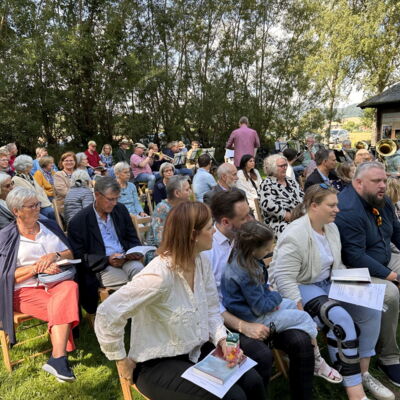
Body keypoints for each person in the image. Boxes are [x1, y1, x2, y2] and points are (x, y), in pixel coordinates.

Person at [94, 201, 266, 400]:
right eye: (209, 227)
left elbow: (211, 310)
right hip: (157, 363)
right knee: (232, 397)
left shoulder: (201, 261)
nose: (214, 231)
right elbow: (108, 312)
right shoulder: (159, 275)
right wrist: (121, 359)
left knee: (253, 381)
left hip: (196, 350)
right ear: (193, 235)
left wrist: (222, 340)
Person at [270, 184, 389, 400]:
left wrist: (353, 286)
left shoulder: (331, 227)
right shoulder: (295, 234)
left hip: (329, 281)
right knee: (339, 318)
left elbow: (336, 264)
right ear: (314, 206)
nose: (337, 210)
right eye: (332, 205)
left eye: (337, 205)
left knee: (371, 309)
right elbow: (284, 278)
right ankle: (355, 391)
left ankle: (363, 373)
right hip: (302, 285)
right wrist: (300, 312)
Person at [205, 189, 315, 400]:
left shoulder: (247, 238)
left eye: (250, 214)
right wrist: (243, 326)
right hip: (228, 322)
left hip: (259, 306)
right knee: (261, 355)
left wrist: (270, 295)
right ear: (226, 222)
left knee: (301, 341)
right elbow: (211, 304)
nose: (251, 220)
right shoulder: (209, 252)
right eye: (244, 217)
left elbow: (260, 276)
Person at [222, 220, 342, 383]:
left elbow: (262, 292)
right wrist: (276, 296)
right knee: (304, 317)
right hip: (251, 318)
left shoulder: (245, 257)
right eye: (266, 249)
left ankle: (293, 353)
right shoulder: (245, 272)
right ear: (253, 249)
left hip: (255, 306)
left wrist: (271, 297)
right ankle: (317, 362)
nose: (270, 250)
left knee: (292, 305)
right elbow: (260, 307)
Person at [0, 187, 79, 382]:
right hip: (23, 290)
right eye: (32, 206)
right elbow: (5, 276)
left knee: (70, 287)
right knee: (63, 306)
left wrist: (55, 255)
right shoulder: (6, 237)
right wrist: (36, 268)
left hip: (56, 282)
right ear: (17, 211)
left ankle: (57, 359)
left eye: (37, 204)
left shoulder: (49, 226)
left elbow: (70, 253)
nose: (38, 208)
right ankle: (59, 358)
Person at [335, 161, 400, 389]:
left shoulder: (381, 199)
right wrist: (392, 276)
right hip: (352, 271)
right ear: (359, 183)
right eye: (376, 181)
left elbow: (396, 232)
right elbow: (354, 256)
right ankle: (389, 357)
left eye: (384, 180)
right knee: (389, 293)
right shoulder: (349, 209)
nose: (383, 185)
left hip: (382, 257)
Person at [67, 177, 143, 314]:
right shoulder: (79, 222)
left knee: (140, 273)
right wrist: (107, 260)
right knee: (127, 283)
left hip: (125, 258)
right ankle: (133, 316)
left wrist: (134, 252)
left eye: (117, 199)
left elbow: (132, 237)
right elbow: (79, 257)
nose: (114, 203)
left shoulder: (120, 210)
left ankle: (141, 315)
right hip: (101, 266)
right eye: (110, 199)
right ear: (97, 195)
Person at [258, 154, 303, 238]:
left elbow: (302, 196)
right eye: (282, 166)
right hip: (279, 222)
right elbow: (267, 205)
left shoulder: (290, 181)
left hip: (298, 217)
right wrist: (287, 215)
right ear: (272, 168)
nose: (285, 168)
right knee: (298, 231)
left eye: (286, 165)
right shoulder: (266, 184)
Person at [150, 175, 192, 247]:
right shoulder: (163, 208)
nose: (190, 192)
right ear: (177, 193)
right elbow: (160, 240)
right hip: (159, 250)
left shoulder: (184, 206)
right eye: (187, 190)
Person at [12, 155, 55, 220]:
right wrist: (47, 204)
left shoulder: (29, 176)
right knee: (51, 213)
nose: (32, 166)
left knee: (55, 211)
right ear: (25, 166)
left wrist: (48, 203)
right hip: (33, 207)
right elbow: (31, 195)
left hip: (42, 203)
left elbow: (41, 190)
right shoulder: (16, 179)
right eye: (30, 165)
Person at [54, 152, 77, 217]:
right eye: (66, 160)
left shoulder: (79, 173)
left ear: (75, 162)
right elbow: (63, 192)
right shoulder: (58, 175)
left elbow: (88, 186)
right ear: (62, 162)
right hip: (65, 204)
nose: (69, 162)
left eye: (71, 160)